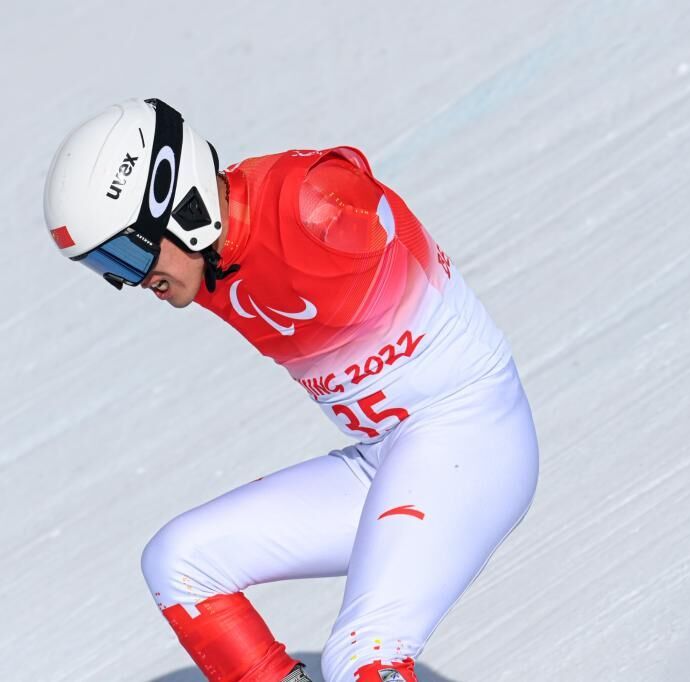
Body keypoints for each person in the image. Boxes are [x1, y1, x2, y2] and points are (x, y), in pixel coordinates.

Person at [42, 98, 539, 682]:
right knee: (179, 563)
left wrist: (332, 197)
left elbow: (351, 190)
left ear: (176, 202)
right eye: (106, 266)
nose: (130, 280)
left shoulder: (307, 200)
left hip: (470, 435)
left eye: (125, 253)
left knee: (362, 654)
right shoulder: (208, 260)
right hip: (387, 458)